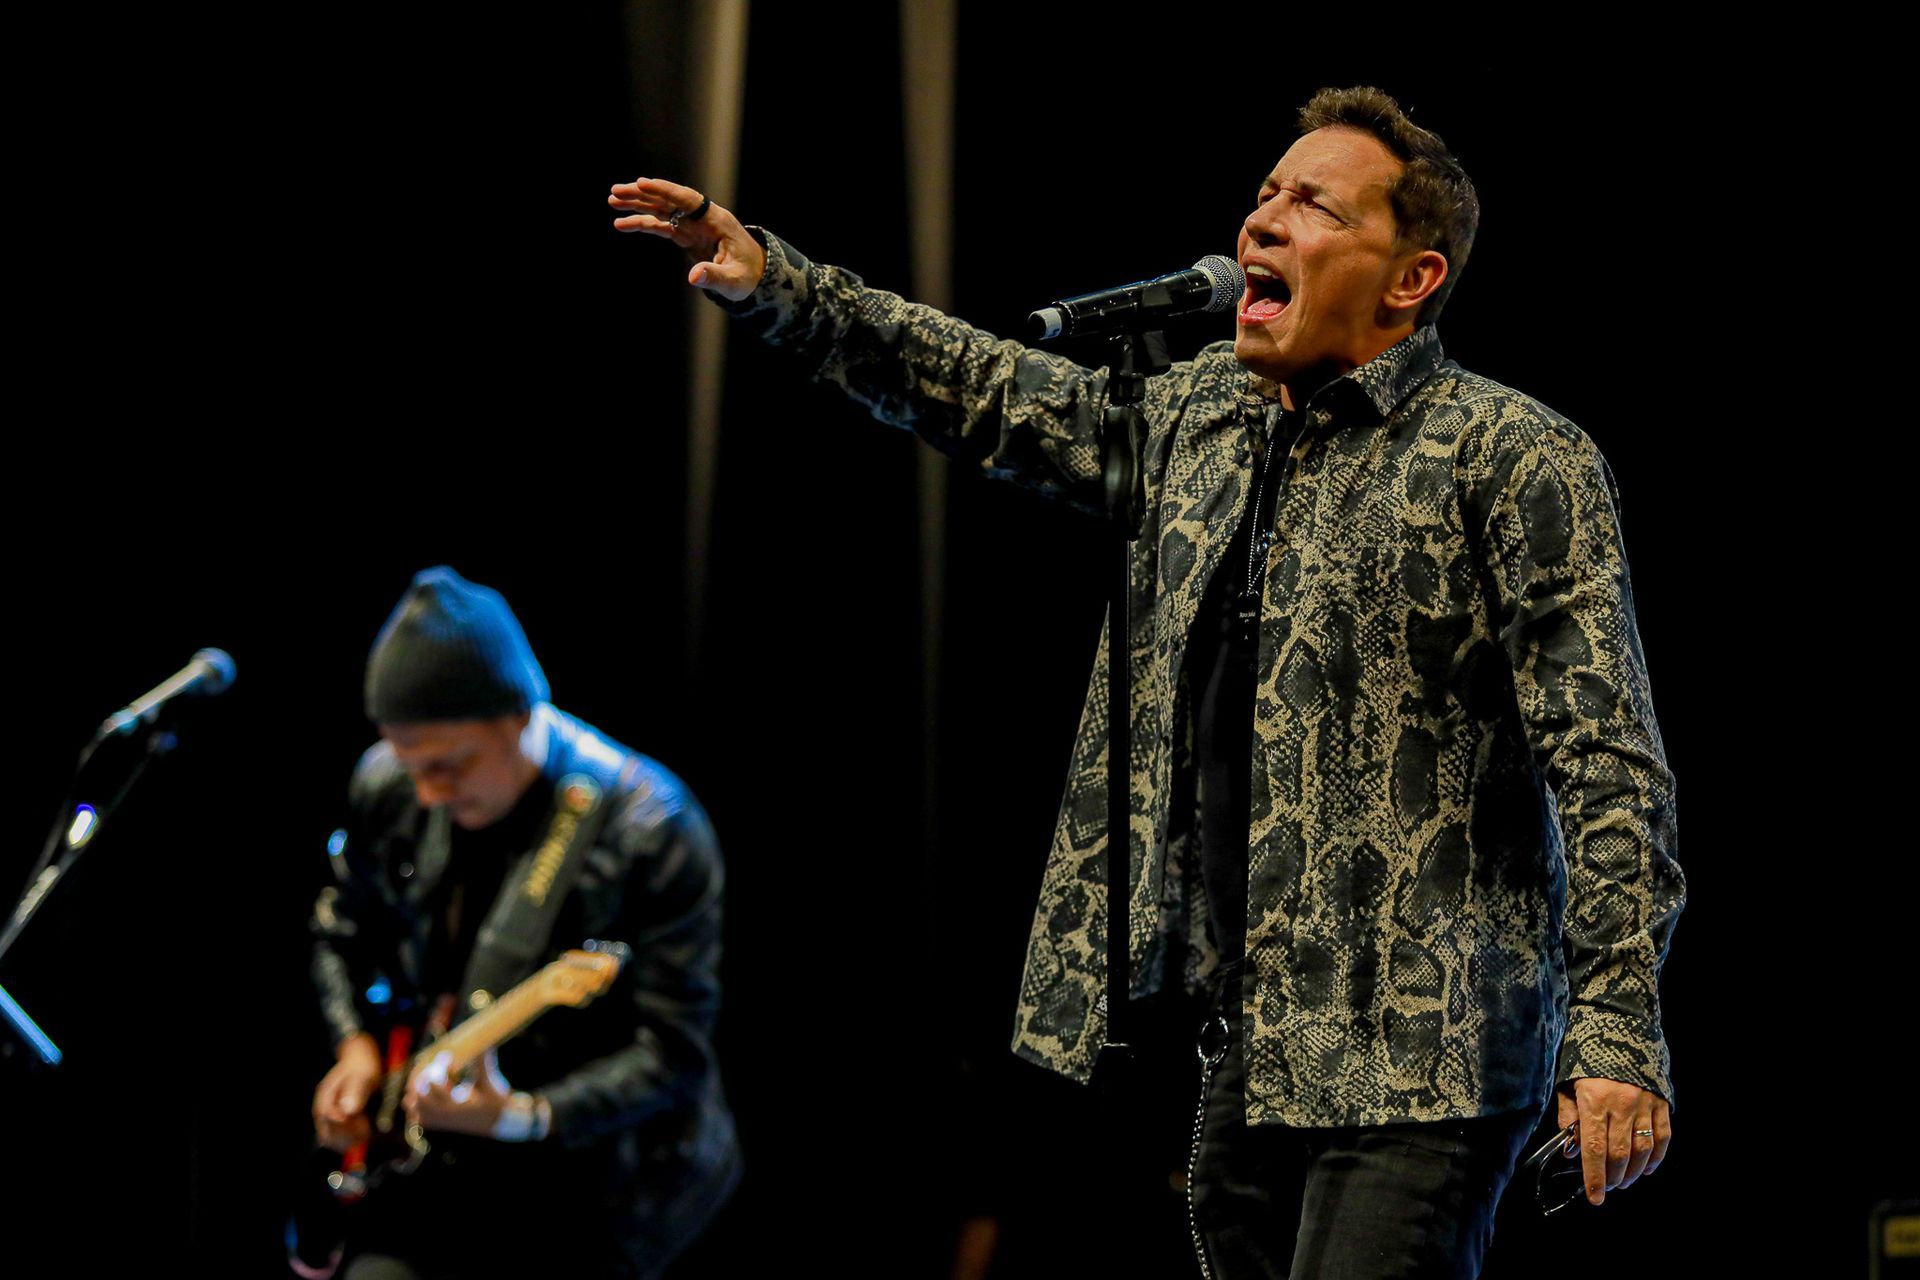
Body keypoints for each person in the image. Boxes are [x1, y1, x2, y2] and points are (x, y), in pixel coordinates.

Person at [613, 84, 1681, 1278]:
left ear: (1410, 279)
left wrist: (1618, 1031)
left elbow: (1608, 763)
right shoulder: (1194, 422)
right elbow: (985, 387)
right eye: (1265, 194)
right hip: (1252, 1051)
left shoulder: (1514, 454)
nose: (1262, 222)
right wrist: (782, 280)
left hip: (1429, 1050)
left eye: (1312, 205)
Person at [299, 567, 739, 1280]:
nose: (428, 792)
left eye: (450, 764)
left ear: (521, 713)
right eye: (408, 763)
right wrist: (354, 1048)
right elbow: (339, 932)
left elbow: (673, 1051)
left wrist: (527, 1115)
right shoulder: (390, 783)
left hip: (599, 1190)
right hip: (430, 1166)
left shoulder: (653, 827)